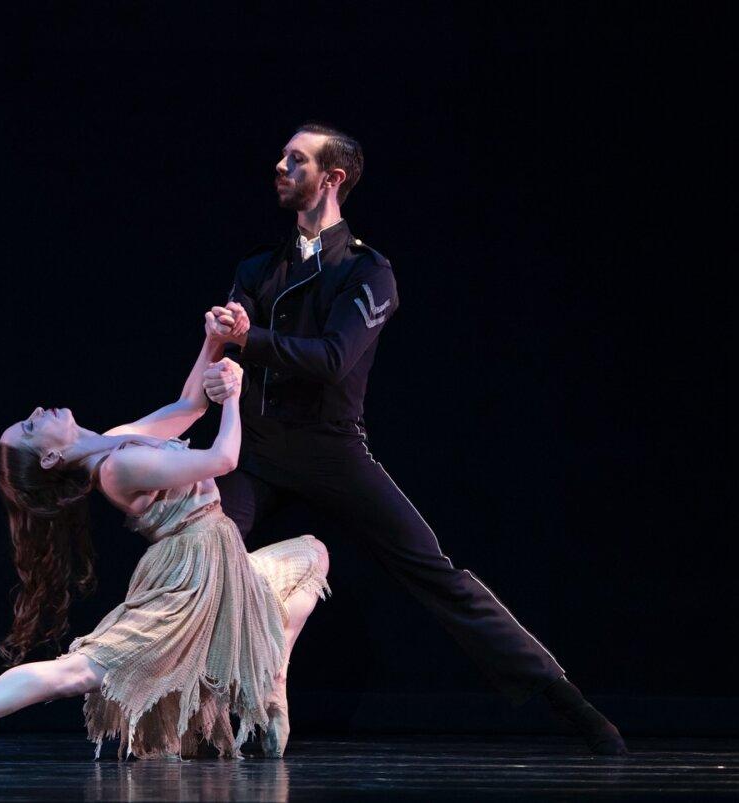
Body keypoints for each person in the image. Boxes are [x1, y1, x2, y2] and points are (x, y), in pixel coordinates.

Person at [198, 122, 627, 755]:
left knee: (437, 574)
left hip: (332, 449)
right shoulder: (257, 268)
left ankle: (570, 704)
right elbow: (233, 340)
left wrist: (248, 339)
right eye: (283, 157)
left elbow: (332, 358)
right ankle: (192, 718)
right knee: (207, 557)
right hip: (258, 451)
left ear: (332, 178)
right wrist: (227, 337)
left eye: (297, 160)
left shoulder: (369, 273)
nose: (280, 166)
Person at [0, 322, 330, 765]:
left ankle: (273, 680)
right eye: (28, 427)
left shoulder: (116, 442)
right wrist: (234, 396)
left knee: (312, 557)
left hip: (221, 560)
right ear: (50, 457)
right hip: (187, 575)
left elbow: (189, 407)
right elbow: (223, 459)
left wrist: (214, 341)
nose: (37, 412)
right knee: (78, 672)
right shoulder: (115, 468)